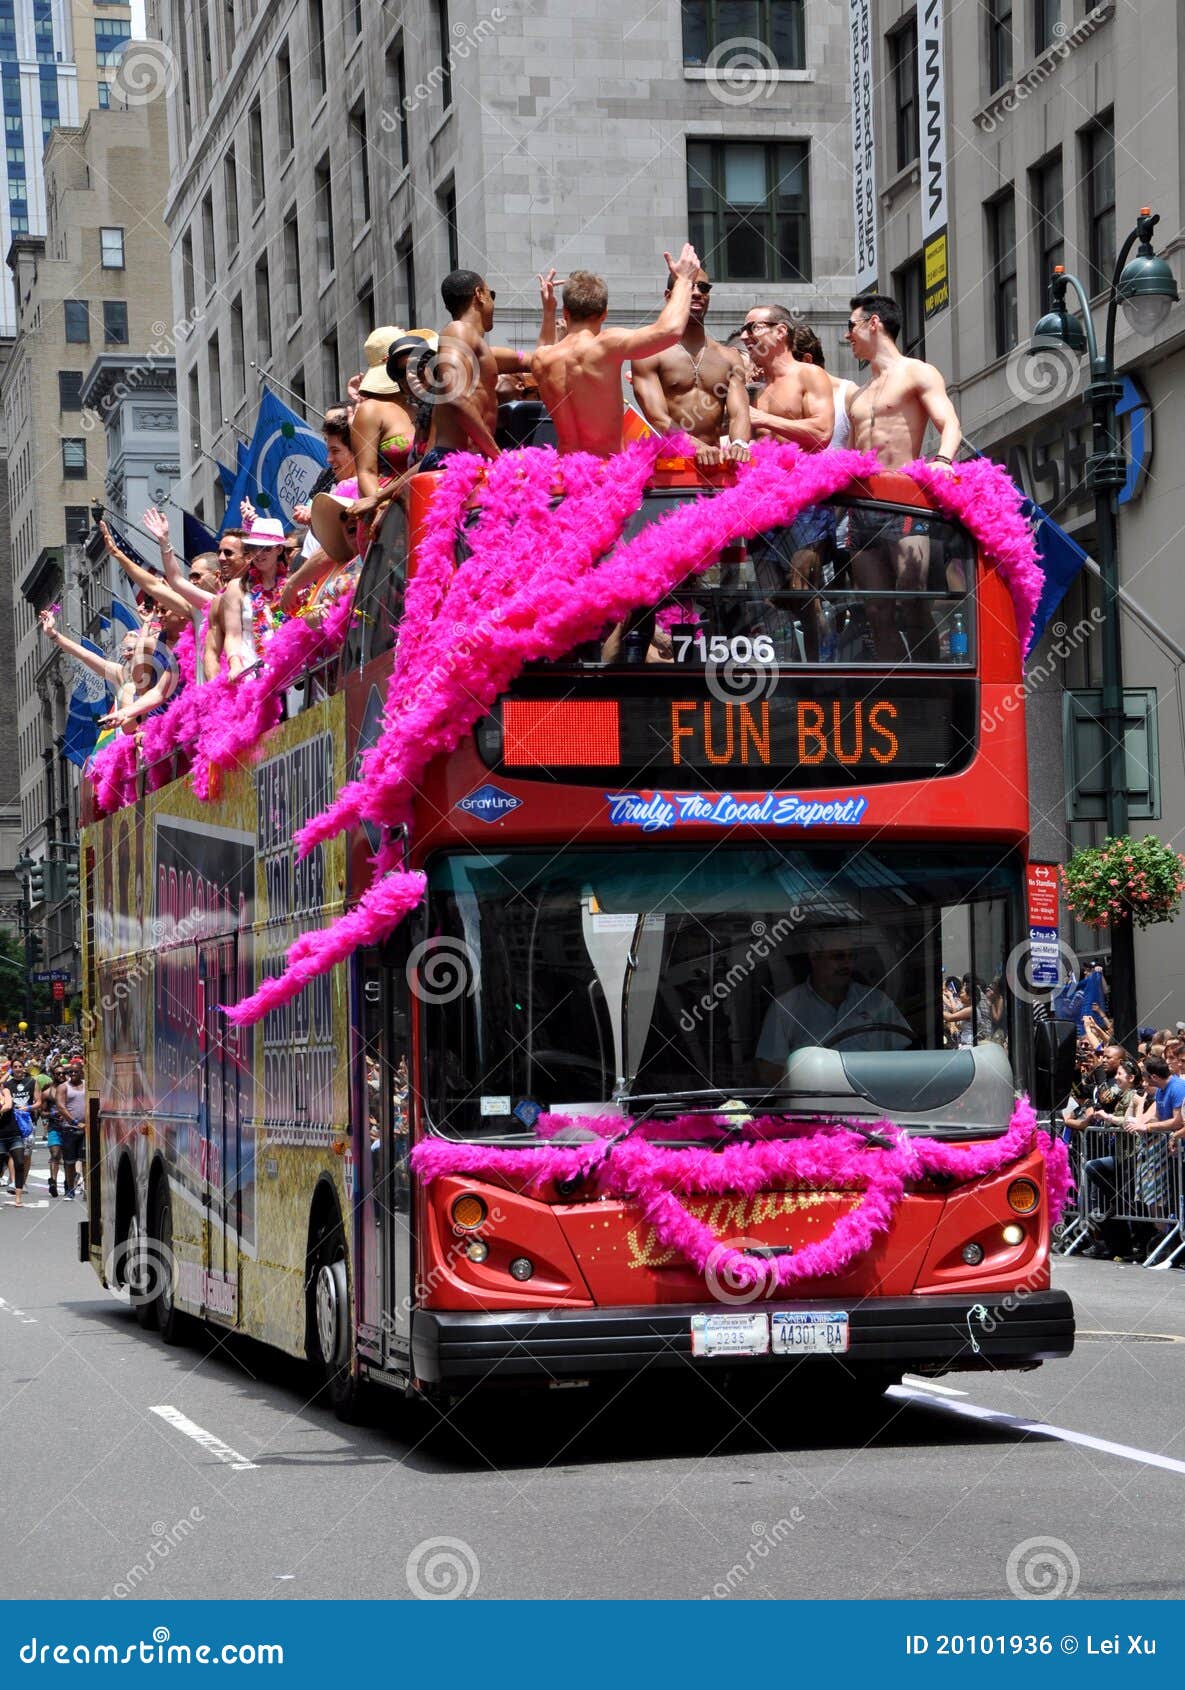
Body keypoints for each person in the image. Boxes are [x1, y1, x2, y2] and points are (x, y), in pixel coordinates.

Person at [532, 247, 703, 458]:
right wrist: (684, 281)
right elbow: (670, 331)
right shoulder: (605, 345)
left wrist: (548, 312)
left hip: (565, 475)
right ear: (604, 314)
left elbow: (543, 347)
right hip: (607, 474)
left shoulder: (542, 359)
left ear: (565, 313)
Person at [418, 269, 557, 468]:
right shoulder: (457, 330)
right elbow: (456, 397)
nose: (493, 303)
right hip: (453, 463)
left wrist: (549, 310)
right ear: (479, 294)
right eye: (491, 294)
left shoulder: (485, 354)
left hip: (472, 462)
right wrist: (498, 456)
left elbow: (542, 360)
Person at [629, 265, 750, 465]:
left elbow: (739, 413)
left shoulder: (730, 357)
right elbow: (658, 417)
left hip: (716, 468)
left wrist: (739, 444)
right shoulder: (648, 353)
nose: (697, 293)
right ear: (669, 296)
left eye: (703, 287)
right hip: (669, 470)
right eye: (688, 287)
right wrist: (696, 446)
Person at [755, 931, 911, 1083]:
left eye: (851, 956)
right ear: (814, 957)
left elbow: (907, 1058)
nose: (847, 964)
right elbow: (768, 1071)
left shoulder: (877, 1002)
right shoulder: (785, 1008)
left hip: (875, 1099)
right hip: (816, 1103)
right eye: (838, 956)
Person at [844, 293, 961, 468]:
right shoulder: (857, 395)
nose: (847, 335)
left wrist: (943, 461)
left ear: (873, 323)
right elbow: (849, 457)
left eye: (851, 326)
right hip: (860, 493)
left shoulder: (917, 372)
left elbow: (950, 424)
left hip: (901, 490)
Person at [742, 307, 834, 450]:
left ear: (780, 331)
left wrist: (764, 419)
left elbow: (822, 433)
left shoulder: (809, 374)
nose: (743, 336)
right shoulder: (754, 388)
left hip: (802, 470)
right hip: (761, 470)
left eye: (752, 328)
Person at [207, 518, 288, 677]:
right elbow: (233, 635)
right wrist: (235, 664)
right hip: (251, 674)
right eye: (253, 548)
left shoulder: (291, 585)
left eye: (265, 548)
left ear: (279, 549)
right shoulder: (237, 587)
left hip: (287, 673)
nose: (259, 553)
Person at [351, 326, 417, 497]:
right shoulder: (370, 410)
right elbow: (366, 472)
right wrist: (378, 509)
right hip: (390, 513)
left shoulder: (422, 407)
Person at [792, 324, 858, 449]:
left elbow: (860, 452)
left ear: (807, 360)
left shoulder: (848, 393)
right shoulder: (787, 397)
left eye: (790, 366)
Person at [55, 1059, 86, 1201]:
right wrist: (74, 1122)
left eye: (76, 1071)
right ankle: (70, 1188)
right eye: (70, 1072)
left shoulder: (87, 1085)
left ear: (81, 1072)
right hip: (69, 1130)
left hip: (86, 1129)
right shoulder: (63, 1087)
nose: (73, 1074)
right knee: (69, 1162)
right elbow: (61, 1107)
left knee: (86, 1160)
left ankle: (86, 1188)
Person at [0, 1070, 27, 1206]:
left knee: (20, 1163)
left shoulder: (5, 1091)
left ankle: (18, 1198)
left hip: (14, 1133)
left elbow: (9, 1105)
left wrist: (2, 1108)